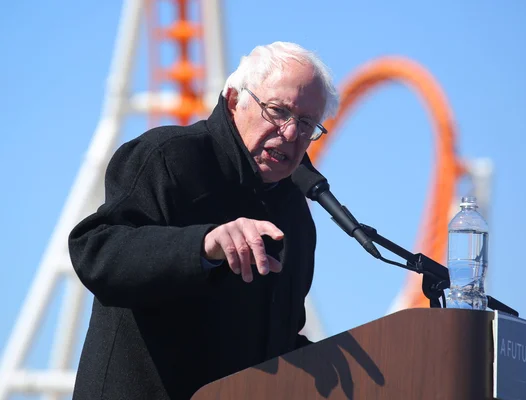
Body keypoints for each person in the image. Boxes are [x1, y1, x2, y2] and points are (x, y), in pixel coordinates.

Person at [68, 41, 339, 400]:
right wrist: (203, 246)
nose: (291, 134)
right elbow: (97, 252)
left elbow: (276, 340)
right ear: (233, 101)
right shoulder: (166, 157)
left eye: (307, 124)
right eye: (277, 111)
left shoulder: (296, 216)